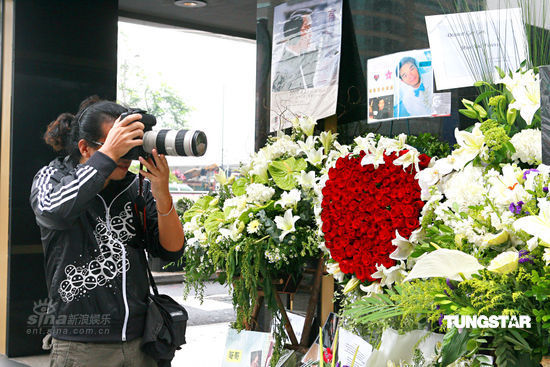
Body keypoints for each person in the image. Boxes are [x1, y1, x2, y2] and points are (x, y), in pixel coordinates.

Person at [30, 96, 185, 366]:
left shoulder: (135, 186)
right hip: (82, 344)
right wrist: (107, 157)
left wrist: (162, 192)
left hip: (141, 341)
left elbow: (171, 250)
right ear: (86, 148)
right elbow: (52, 211)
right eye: (118, 145)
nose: (126, 156)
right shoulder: (52, 177)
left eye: (130, 146)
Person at [272, 8, 320, 92]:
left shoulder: (311, 57)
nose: (310, 34)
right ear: (294, 32)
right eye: (307, 28)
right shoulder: (277, 63)